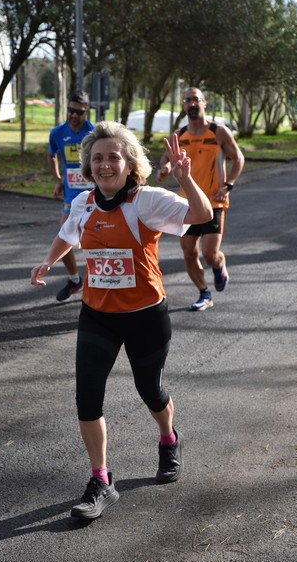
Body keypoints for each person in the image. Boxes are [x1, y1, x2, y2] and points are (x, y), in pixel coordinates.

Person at [31, 121, 213, 519]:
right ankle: (101, 479)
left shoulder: (147, 201)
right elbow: (68, 234)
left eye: (114, 156)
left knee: (151, 390)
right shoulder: (83, 203)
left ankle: (168, 438)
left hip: (146, 316)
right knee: (87, 397)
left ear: (130, 164)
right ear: (88, 166)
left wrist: (185, 177)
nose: (105, 164)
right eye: (97, 158)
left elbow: (201, 215)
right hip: (97, 316)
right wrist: (50, 259)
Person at [156, 87, 245, 311]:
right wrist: (164, 168)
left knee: (209, 254)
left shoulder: (218, 132)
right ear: (184, 106)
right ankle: (204, 293)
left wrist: (228, 185)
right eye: (187, 100)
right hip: (186, 204)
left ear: (204, 103)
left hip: (214, 201)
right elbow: (166, 158)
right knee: (188, 252)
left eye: (195, 99)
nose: (191, 103)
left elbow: (238, 158)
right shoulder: (180, 134)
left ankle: (219, 263)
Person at [47, 89, 95, 302]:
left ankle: (102, 284)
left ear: (87, 113)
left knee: (99, 239)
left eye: (80, 112)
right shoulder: (57, 132)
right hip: (70, 197)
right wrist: (58, 179)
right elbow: (51, 154)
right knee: (64, 235)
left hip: (94, 194)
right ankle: (75, 280)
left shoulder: (93, 133)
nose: (74, 116)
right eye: (71, 111)